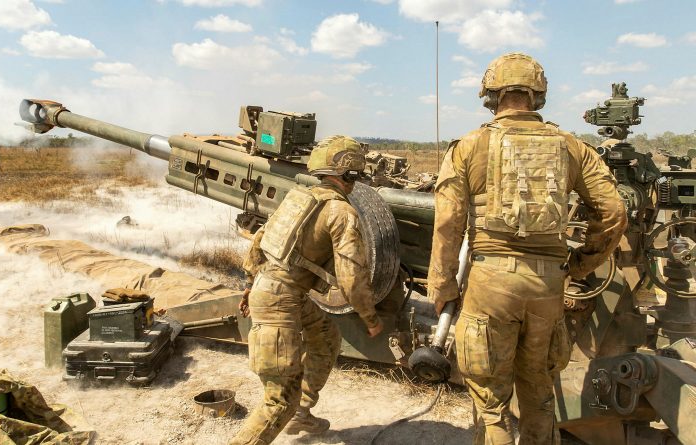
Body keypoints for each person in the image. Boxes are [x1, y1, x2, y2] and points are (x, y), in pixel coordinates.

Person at [427, 52, 627, 444]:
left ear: (491, 93)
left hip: (489, 283)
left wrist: (442, 284)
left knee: (491, 403)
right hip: (548, 286)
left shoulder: (468, 146)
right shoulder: (572, 147)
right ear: (538, 95)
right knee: (539, 398)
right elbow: (614, 210)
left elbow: (448, 223)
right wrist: (581, 265)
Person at [229, 135, 384, 445]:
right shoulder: (342, 212)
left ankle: (302, 412)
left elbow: (259, 241)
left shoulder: (299, 198)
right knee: (277, 401)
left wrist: (249, 286)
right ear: (348, 174)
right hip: (279, 301)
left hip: (276, 290)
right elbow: (352, 277)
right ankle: (289, 411)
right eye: (355, 175)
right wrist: (371, 318)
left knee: (326, 337)